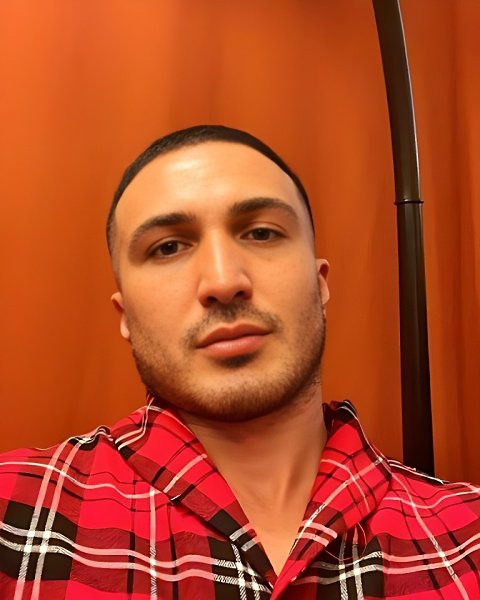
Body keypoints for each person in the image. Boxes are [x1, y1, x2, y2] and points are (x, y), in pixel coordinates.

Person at [0, 125, 479, 600]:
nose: (224, 281)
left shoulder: (469, 535)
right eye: (168, 247)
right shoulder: (12, 512)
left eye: (261, 232)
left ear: (320, 284)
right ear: (125, 315)